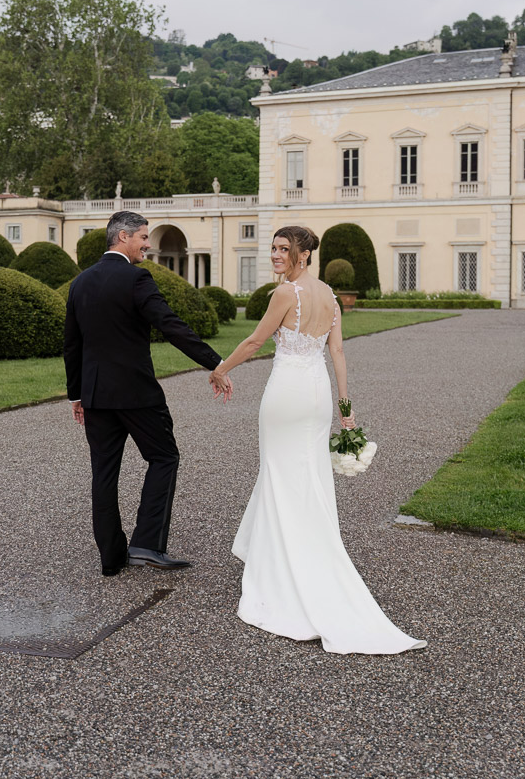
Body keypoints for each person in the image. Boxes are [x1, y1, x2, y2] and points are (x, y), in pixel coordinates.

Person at [210, 225, 426, 655]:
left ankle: (282, 566)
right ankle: (302, 551)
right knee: (307, 474)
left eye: (283, 249)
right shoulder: (329, 296)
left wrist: (221, 369)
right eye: (273, 248)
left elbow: (255, 341)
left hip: (287, 393)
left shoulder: (285, 294)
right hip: (318, 395)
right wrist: (346, 410)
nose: (275, 255)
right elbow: (337, 353)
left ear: (304, 254)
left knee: (279, 473)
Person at [64, 211, 232, 576]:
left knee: (103, 473)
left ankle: (112, 559)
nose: (147, 244)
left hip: (95, 395)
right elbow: (170, 325)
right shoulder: (136, 278)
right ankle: (147, 545)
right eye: (143, 236)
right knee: (164, 457)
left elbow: (72, 345)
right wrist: (215, 362)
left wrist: (76, 395)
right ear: (123, 236)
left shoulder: (80, 282)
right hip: (136, 394)